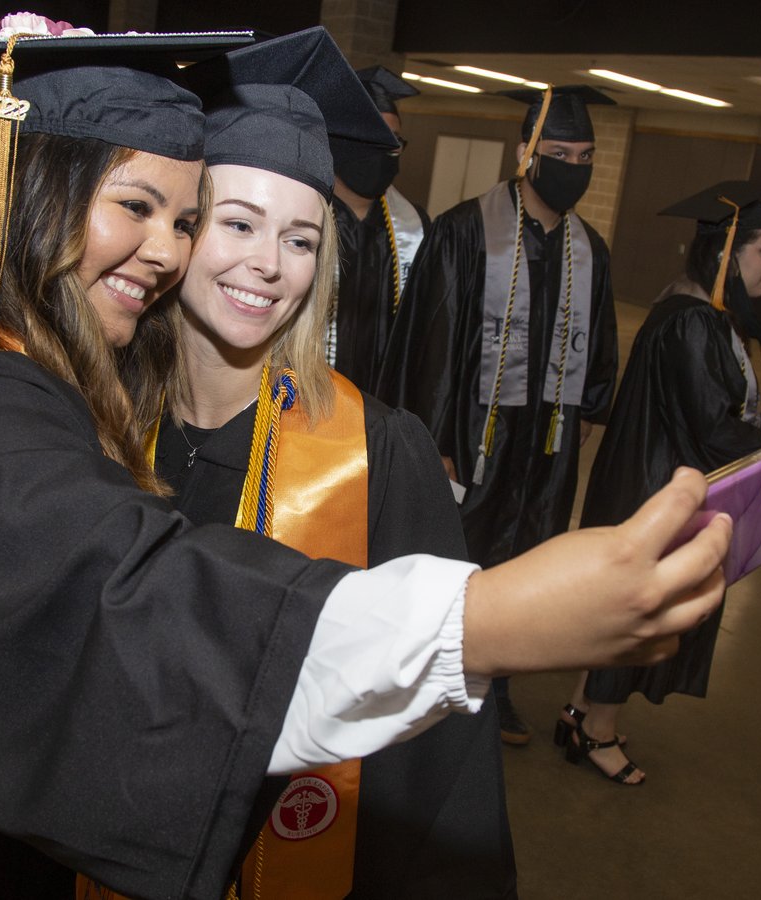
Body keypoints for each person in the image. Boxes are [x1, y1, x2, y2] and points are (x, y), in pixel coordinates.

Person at [0, 27, 730, 900]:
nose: (182, 249)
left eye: (296, 237)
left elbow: (431, 793)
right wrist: (490, 621)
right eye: (180, 214)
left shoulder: (367, 447)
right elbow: (111, 608)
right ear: (31, 187)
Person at [123, 28, 515, 898]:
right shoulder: (101, 420)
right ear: (180, 232)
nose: (268, 265)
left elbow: (437, 749)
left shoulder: (378, 456)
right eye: (238, 223)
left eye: (301, 240)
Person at [377, 85, 620, 745]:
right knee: (460, 557)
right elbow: (431, 345)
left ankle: (499, 687)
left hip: (545, 445)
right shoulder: (465, 231)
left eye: (585, 156)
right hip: (473, 436)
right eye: (559, 153)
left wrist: (582, 418)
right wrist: (434, 441)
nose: (573, 167)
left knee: (530, 559)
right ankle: (435, 680)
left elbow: (598, 348)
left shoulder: (589, 250)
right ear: (526, 153)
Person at [560, 181, 761, 785]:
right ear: (727, 254)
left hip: (649, 478)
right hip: (658, 490)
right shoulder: (692, 322)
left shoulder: (693, 311)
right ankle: (597, 732)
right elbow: (712, 427)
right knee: (642, 613)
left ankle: (579, 710)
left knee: (623, 607)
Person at [325, 66, 427, 394]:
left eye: (394, 142)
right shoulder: (300, 221)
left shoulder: (417, 227)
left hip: (383, 403)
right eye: (373, 137)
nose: (385, 150)